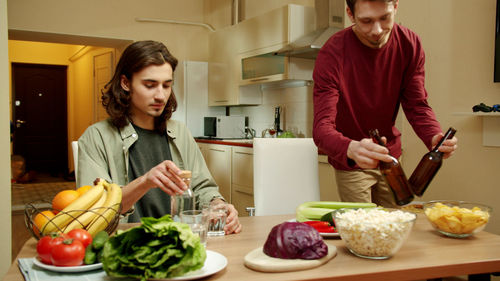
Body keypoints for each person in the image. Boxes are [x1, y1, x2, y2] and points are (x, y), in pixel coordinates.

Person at [77, 40, 242, 234]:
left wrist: (218, 205)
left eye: (166, 85)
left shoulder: (180, 132)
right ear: (125, 83)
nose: (161, 96)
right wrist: (145, 181)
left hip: (176, 243)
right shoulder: (96, 137)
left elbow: (202, 186)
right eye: (150, 85)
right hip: (124, 245)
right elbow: (95, 213)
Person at [312, 0, 458, 207]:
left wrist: (434, 135)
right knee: (363, 230)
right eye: (366, 21)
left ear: (396, 6)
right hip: (354, 158)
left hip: (390, 157)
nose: (377, 30)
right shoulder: (332, 53)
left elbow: (417, 104)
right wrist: (351, 148)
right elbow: (321, 129)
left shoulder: (410, 44)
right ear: (350, 14)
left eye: (385, 18)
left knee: (395, 224)